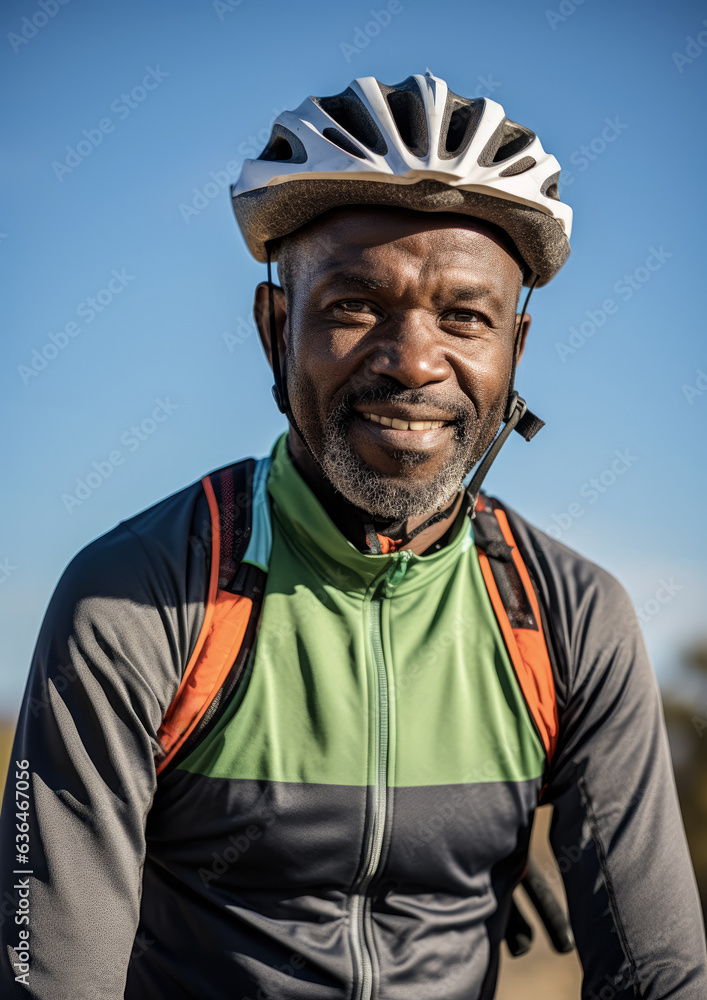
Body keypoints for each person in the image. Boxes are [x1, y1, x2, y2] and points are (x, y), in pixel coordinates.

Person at [1, 70, 705, 1000]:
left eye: (465, 317)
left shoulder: (567, 615)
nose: (414, 360)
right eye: (352, 306)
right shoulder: (136, 595)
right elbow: (53, 977)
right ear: (273, 327)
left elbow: (660, 975)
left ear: (515, 353)